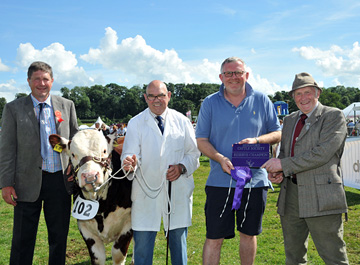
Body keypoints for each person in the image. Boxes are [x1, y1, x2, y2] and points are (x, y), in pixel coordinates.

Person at [196, 57, 281, 265]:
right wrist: (219, 158)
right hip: (219, 180)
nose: (233, 77)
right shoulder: (210, 103)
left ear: (246, 75)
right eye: (228, 73)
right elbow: (201, 140)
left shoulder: (262, 100)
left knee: (249, 234)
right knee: (214, 237)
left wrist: (257, 140)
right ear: (221, 77)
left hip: (255, 181)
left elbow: (278, 133)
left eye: (238, 72)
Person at [262, 72, 349, 264]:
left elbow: (322, 153)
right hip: (291, 195)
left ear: (317, 93)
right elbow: (285, 152)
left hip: (323, 196)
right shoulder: (291, 119)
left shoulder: (333, 115)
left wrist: (283, 165)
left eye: (308, 92)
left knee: (333, 255)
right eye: (298, 94)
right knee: (293, 256)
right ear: (293, 97)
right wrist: (279, 172)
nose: (303, 98)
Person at [0, 61, 78, 265]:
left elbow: (76, 142)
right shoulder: (13, 108)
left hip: (59, 182)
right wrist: (6, 183)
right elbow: (7, 149)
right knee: (22, 241)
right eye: (37, 79)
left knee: (59, 239)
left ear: (52, 81)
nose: (41, 83)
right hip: (25, 183)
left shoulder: (67, 105)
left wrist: (74, 168)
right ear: (28, 81)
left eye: (45, 79)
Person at [121, 80, 200, 265]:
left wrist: (181, 167)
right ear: (145, 98)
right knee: (142, 252)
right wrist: (130, 163)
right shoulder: (136, 123)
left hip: (177, 192)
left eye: (161, 95)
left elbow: (194, 154)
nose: (156, 100)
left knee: (179, 251)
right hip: (146, 194)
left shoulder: (182, 121)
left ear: (169, 96)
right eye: (152, 96)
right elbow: (130, 154)